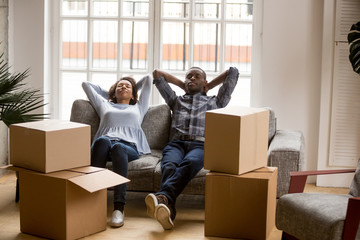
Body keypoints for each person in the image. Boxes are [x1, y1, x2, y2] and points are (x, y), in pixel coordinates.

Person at [145, 66, 239, 230]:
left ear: (204, 82)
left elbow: (233, 72)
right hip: (176, 144)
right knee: (169, 166)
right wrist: (183, 85)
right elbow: (157, 74)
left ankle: (163, 197)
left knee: (190, 162)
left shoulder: (216, 102)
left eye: (197, 76)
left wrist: (207, 86)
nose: (192, 79)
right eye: (189, 76)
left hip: (200, 145)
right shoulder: (176, 101)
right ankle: (168, 209)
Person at [82, 75, 152, 228]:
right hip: (104, 147)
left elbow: (148, 79)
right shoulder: (104, 105)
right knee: (102, 141)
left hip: (128, 148)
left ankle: (118, 209)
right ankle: (92, 200)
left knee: (118, 147)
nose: (123, 88)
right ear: (113, 93)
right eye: (120, 86)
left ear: (133, 94)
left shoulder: (139, 107)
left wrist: (132, 85)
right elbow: (86, 84)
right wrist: (111, 93)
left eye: (127, 87)